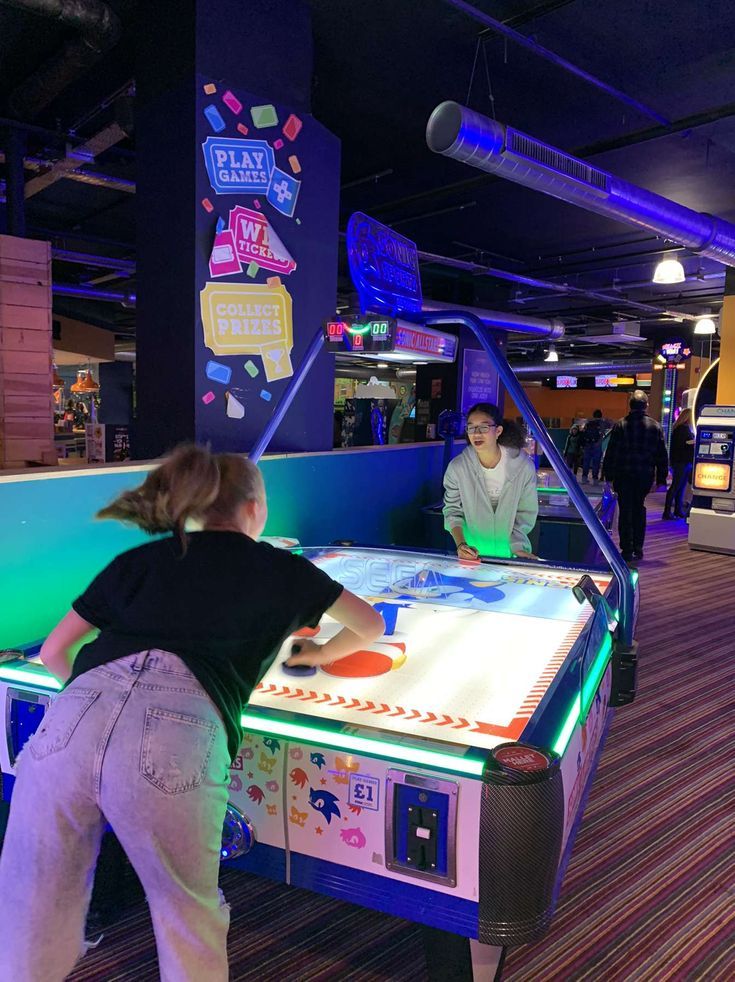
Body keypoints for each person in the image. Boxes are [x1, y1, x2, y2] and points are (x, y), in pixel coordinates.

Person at [0, 445, 384, 982]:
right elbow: (370, 627)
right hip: (178, 727)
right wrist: (314, 653)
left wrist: (97, 707)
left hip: (73, 715)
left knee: (32, 904)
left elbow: (53, 653)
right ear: (255, 508)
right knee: (187, 916)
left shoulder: (143, 559)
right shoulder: (282, 567)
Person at [443, 402, 538, 560]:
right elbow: (452, 511)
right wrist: (462, 545)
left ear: (498, 431)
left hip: (512, 555)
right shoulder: (457, 467)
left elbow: (525, 514)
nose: (477, 433)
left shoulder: (523, 467)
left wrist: (517, 548)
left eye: (484, 427)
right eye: (471, 427)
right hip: (473, 556)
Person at [602, 391, 668, 562]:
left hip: (623, 475)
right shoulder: (655, 426)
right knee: (639, 508)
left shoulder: (620, 425)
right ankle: (638, 548)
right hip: (644, 476)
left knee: (625, 510)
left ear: (630, 405)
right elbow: (662, 455)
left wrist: (608, 476)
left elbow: (612, 453)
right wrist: (661, 479)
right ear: (646, 405)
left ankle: (627, 549)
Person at [663, 408, 695, 519]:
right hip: (682, 461)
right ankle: (668, 512)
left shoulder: (679, 428)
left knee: (680, 487)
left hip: (682, 461)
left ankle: (677, 510)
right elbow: (682, 445)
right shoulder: (682, 429)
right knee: (676, 486)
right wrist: (693, 442)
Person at [580, 409, 605, 483]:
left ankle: (584, 478)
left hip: (588, 444)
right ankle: (595, 479)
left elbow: (583, 432)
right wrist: (599, 443)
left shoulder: (588, 422)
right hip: (596, 445)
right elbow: (602, 434)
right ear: (601, 416)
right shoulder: (601, 423)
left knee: (586, 462)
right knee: (596, 462)